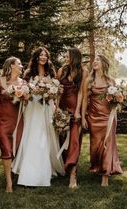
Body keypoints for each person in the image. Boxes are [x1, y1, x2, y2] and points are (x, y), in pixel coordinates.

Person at [12, 47, 65, 187]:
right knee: (32, 135)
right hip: (33, 107)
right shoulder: (29, 73)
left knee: (45, 136)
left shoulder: (51, 72)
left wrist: (53, 103)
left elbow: (56, 92)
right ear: (36, 57)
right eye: (41, 55)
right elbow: (25, 91)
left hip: (46, 107)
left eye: (45, 55)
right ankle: (29, 173)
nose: (43, 57)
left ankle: (46, 170)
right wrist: (31, 90)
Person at [81, 54, 123, 186]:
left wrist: (117, 100)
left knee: (108, 144)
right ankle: (98, 167)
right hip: (94, 117)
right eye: (94, 60)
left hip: (108, 117)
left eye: (98, 60)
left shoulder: (111, 81)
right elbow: (84, 100)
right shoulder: (89, 80)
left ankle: (105, 174)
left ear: (104, 63)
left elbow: (116, 100)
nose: (95, 62)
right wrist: (83, 117)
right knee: (95, 145)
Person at [0, 56, 24, 192]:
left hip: (19, 120)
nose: (21, 66)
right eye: (19, 64)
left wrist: (24, 94)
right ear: (12, 65)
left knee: (18, 147)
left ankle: (15, 174)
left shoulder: (23, 82)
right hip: (3, 120)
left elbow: (26, 100)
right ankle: (9, 182)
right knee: (6, 149)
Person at [57, 47, 88, 188]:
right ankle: (65, 166)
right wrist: (56, 108)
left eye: (67, 55)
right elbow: (57, 91)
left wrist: (78, 111)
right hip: (62, 109)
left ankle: (73, 175)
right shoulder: (62, 71)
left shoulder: (83, 72)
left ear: (74, 56)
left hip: (75, 109)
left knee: (75, 141)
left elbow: (82, 93)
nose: (65, 57)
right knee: (62, 139)